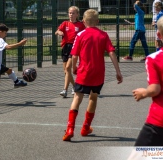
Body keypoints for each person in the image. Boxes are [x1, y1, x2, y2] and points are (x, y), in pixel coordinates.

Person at [62, 9, 123, 141]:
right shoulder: (103, 35)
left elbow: (74, 55)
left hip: (84, 72)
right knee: (93, 98)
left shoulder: (80, 35)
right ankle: (85, 127)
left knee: (77, 98)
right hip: (98, 73)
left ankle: (70, 128)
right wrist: (118, 72)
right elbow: (112, 52)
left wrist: (74, 68)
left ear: (83, 21)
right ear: (98, 21)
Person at [131, 16, 163, 146]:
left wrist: (143, 92)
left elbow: (155, 89)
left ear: (158, 35)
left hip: (159, 120)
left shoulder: (154, 59)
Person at [55, 6, 85, 98]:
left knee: (68, 67)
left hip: (75, 47)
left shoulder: (80, 25)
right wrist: (59, 32)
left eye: (73, 13)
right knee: (66, 71)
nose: (71, 14)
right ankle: (75, 86)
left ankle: (65, 90)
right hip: (65, 47)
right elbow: (57, 31)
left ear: (77, 14)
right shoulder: (65, 23)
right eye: (70, 13)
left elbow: (85, 34)